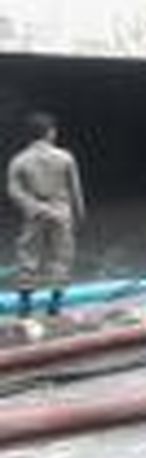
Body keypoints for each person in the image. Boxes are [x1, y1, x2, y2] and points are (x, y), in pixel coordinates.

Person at [6, 112, 86, 318]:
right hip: (61, 212)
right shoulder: (65, 157)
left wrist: (32, 207)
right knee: (61, 257)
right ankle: (55, 305)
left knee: (28, 256)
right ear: (50, 133)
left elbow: (13, 191)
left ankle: (25, 307)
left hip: (35, 214)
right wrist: (80, 214)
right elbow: (75, 190)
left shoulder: (19, 160)